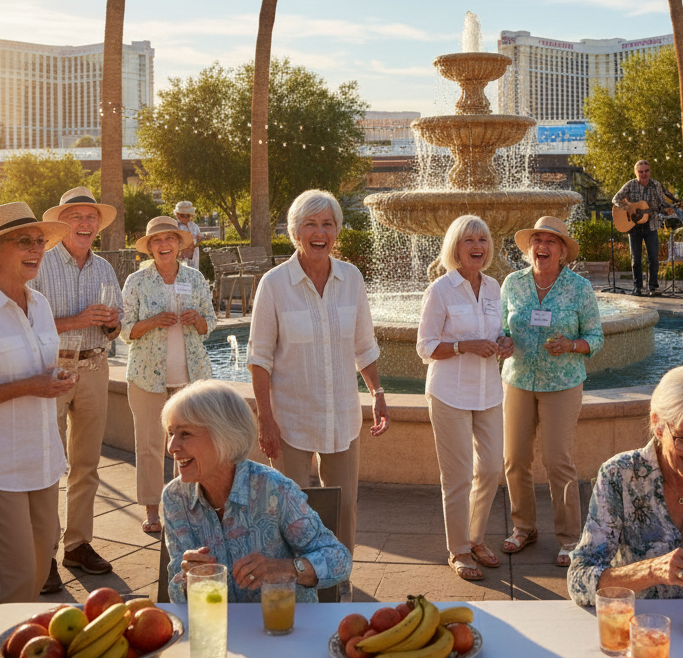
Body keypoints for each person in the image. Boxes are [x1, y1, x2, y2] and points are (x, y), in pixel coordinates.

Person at [247, 189, 389, 556]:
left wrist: (377, 393)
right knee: (289, 510)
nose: (320, 232)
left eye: (328, 224)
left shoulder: (351, 278)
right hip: (289, 419)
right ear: (295, 231)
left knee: (344, 508)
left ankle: (338, 575)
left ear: (337, 231)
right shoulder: (274, 284)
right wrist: (265, 419)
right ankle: (292, 576)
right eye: (310, 224)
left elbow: (364, 345)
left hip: (342, 415)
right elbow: (259, 358)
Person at [0, 202, 77, 604]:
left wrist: (56, 377)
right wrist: (28, 386)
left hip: (42, 461)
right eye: (25, 241)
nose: (37, 249)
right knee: (17, 585)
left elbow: (39, 369)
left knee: (38, 576)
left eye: (40, 241)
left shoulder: (40, 304)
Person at [568, 366, 683, 606]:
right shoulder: (619, 476)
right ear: (658, 426)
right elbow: (579, 578)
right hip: (637, 623)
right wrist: (650, 571)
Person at [162, 380, 352, 602]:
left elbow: (339, 559)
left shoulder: (274, 490)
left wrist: (288, 568)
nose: (172, 447)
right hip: (218, 621)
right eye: (170, 433)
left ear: (223, 436)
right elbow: (175, 589)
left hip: (284, 621)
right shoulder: (175, 498)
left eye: (185, 433)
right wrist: (187, 580)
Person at [30, 187, 122, 592]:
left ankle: (77, 544)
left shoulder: (105, 268)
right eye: (76, 217)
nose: (85, 224)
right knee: (49, 464)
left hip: (96, 366)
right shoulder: (40, 265)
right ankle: (44, 555)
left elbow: (117, 325)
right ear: (60, 223)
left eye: (91, 217)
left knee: (87, 464)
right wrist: (78, 319)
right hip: (52, 369)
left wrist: (111, 324)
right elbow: (29, 325)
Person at [501, 216, 604, 567]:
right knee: (515, 459)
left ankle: (570, 538)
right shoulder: (513, 283)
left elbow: (595, 338)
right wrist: (502, 340)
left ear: (562, 252)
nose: (542, 247)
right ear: (529, 248)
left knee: (557, 460)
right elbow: (502, 326)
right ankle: (523, 527)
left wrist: (572, 345)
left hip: (562, 384)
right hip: (518, 380)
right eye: (537, 240)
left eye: (550, 241)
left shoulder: (579, 287)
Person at [416, 216, 513, 581]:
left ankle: (475, 538)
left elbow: (496, 331)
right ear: (455, 247)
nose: (477, 246)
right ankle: (458, 549)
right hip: (449, 394)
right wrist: (464, 346)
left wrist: (504, 343)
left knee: (490, 468)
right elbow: (425, 347)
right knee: (457, 478)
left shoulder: (493, 287)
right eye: (469, 240)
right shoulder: (440, 290)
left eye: (483, 239)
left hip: (489, 392)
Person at [121, 216, 216, 534]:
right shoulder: (136, 281)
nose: (164, 245)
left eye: (169, 239)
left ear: (178, 244)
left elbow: (210, 322)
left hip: (190, 377)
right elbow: (124, 330)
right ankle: (151, 510)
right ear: (150, 247)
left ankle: (186, 507)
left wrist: (198, 320)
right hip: (146, 377)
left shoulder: (195, 278)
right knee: (149, 444)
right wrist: (152, 321)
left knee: (190, 446)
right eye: (157, 240)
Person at [611, 159, 682, 296]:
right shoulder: (630, 185)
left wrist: (669, 208)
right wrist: (629, 208)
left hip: (651, 225)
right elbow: (616, 199)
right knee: (635, 259)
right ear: (636, 173)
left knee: (654, 258)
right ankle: (637, 287)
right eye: (641, 172)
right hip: (633, 227)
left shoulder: (656, 185)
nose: (644, 174)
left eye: (646, 171)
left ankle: (653, 287)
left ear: (650, 171)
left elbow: (662, 203)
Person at [174, 201, 202, 271]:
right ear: (177, 215)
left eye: (189, 216)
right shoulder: (175, 226)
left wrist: (200, 239)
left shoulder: (194, 226)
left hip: (194, 258)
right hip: (180, 258)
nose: (187, 218)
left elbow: (199, 239)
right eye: (184, 216)